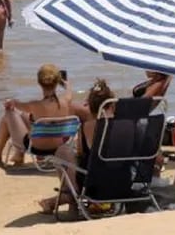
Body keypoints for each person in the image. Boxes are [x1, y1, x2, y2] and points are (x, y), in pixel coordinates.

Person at [38, 79, 116, 214]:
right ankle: (61, 199)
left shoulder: (86, 127)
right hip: (122, 182)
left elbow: (80, 153)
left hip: (94, 186)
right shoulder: (126, 126)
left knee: (63, 151)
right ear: (112, 105)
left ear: (89, 106)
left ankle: (70, 198)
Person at [0, 64, 84, 168]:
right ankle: (18, 156)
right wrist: (67, 84)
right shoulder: (66, 101)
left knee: (9, 113)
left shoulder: (34, 105)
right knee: (25, 116)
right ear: (57, 82)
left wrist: (10, 102)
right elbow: (69, 93)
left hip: (37, 148)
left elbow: (16, 105)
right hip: (57, 146)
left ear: (39, 83)